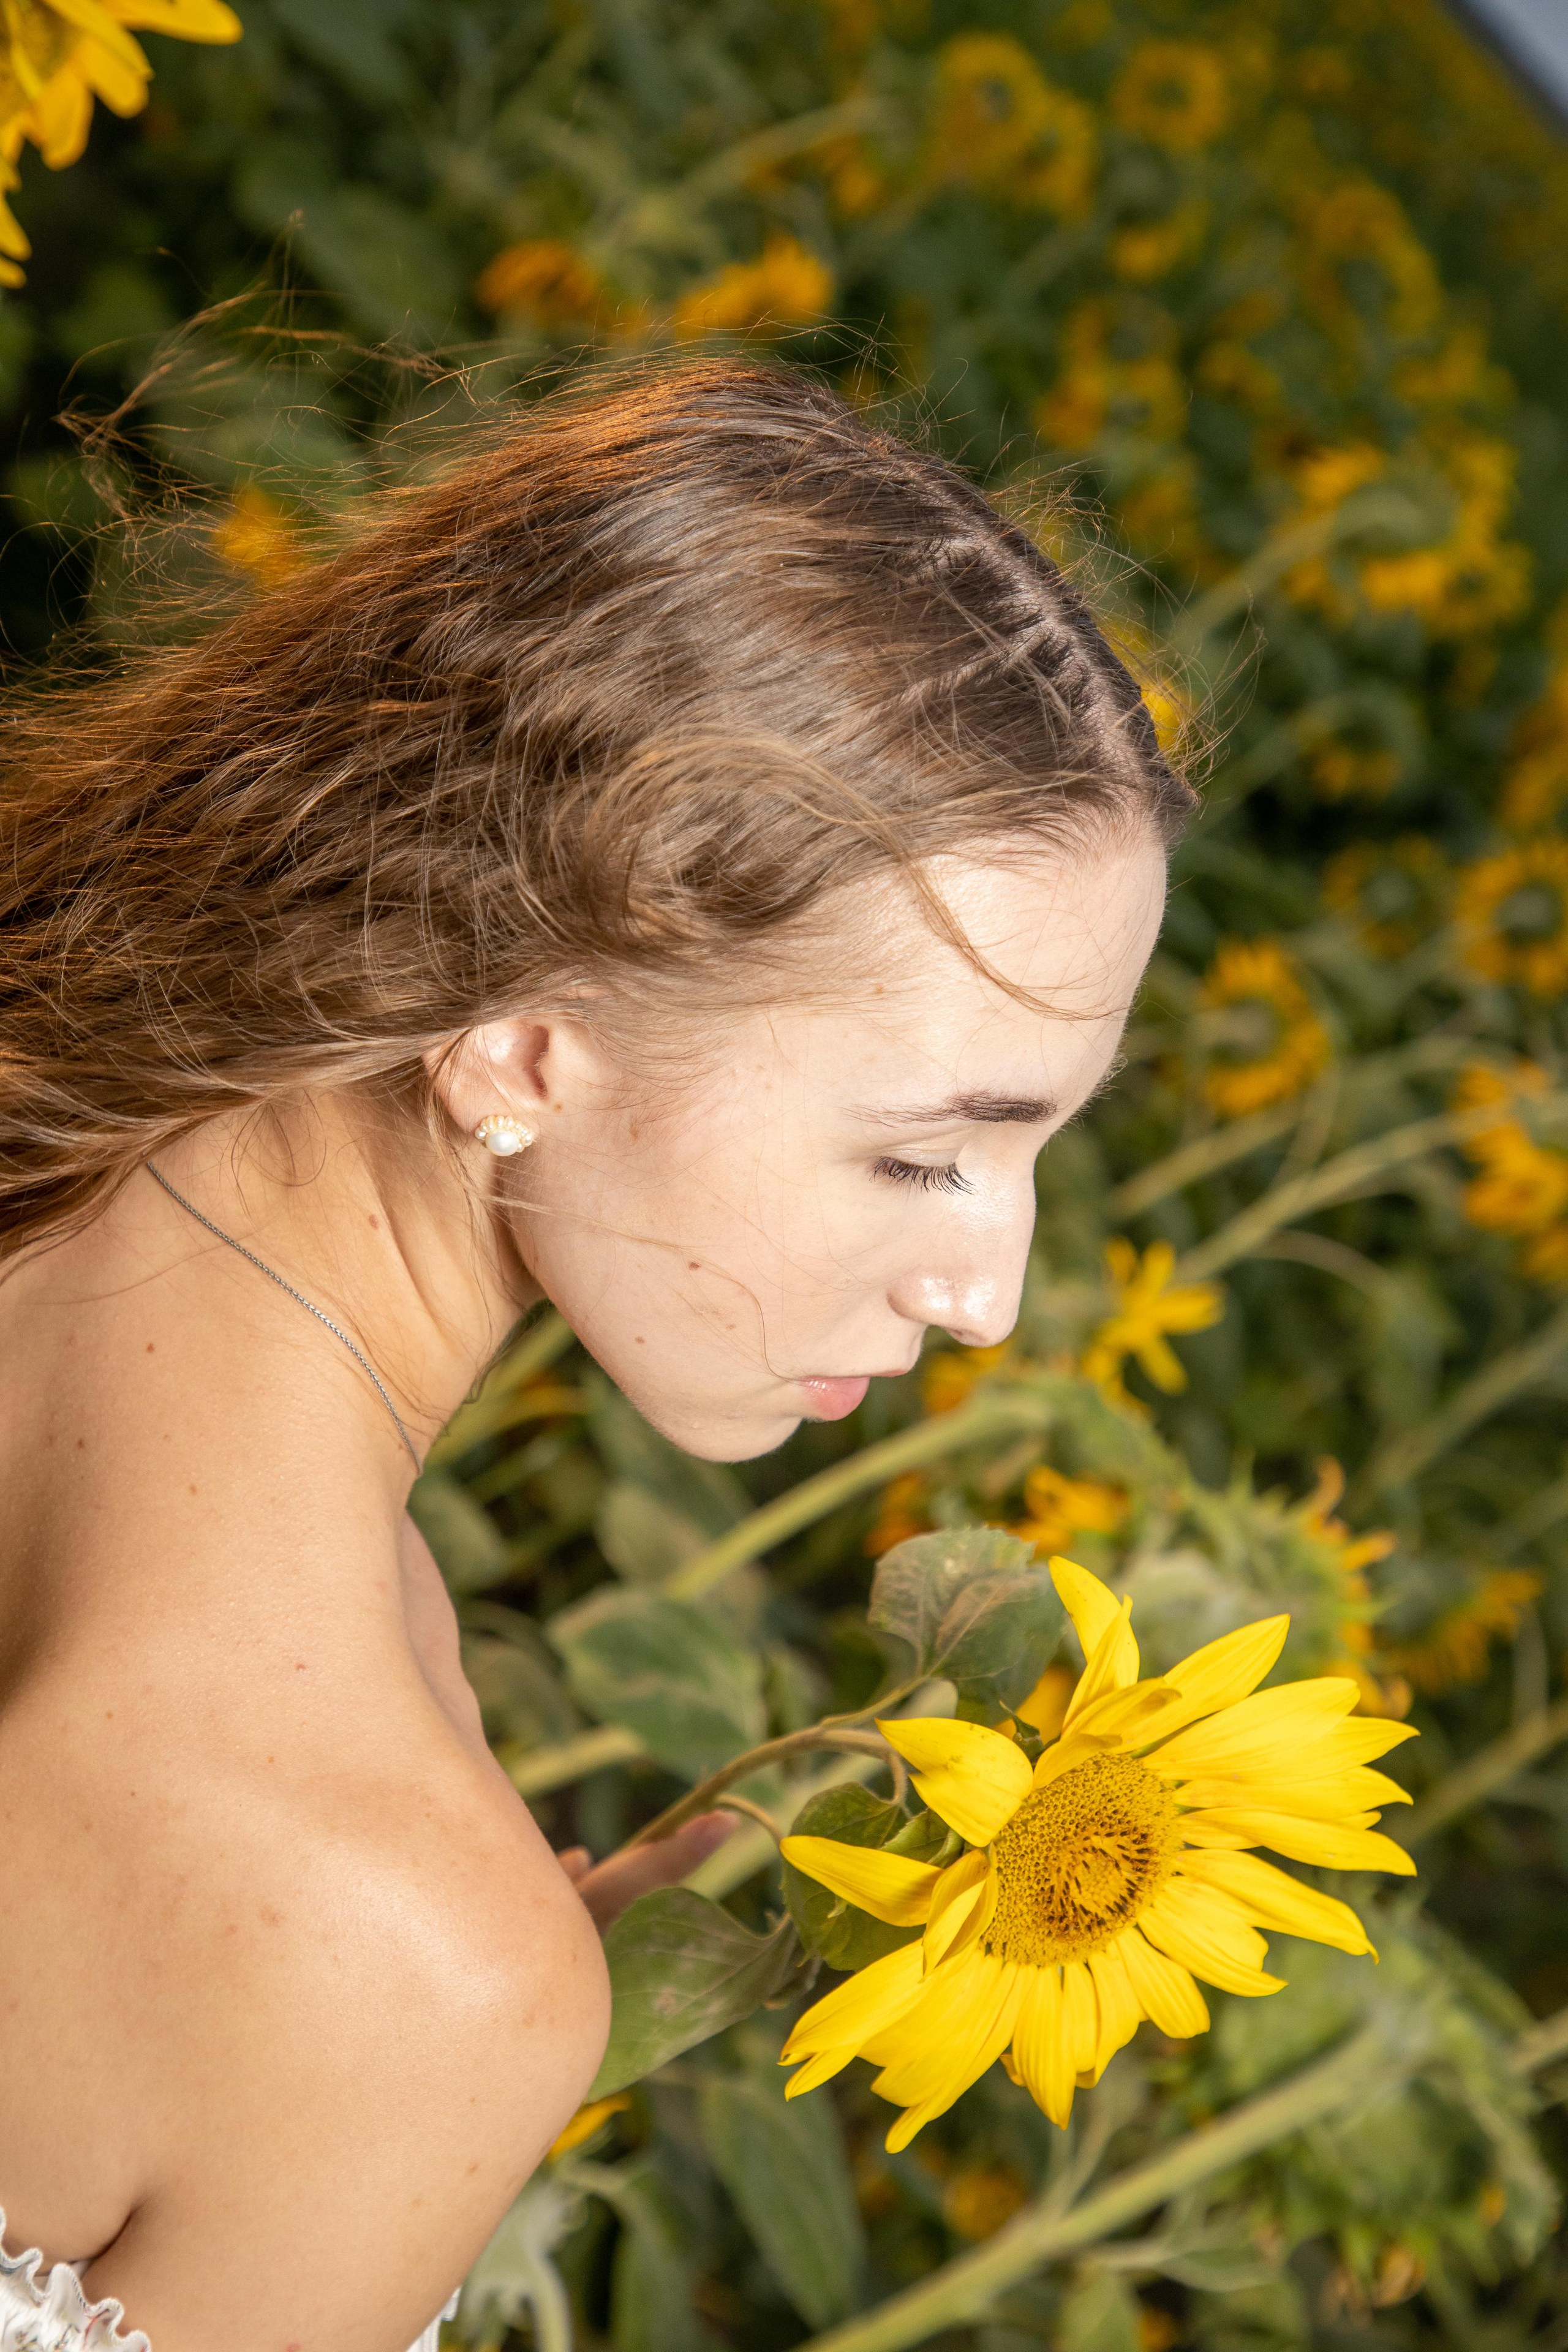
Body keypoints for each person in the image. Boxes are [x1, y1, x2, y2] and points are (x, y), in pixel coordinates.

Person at [0, 361, 1189, 2351]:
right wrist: (433, 2037)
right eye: (925, 1149)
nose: (989, 1291)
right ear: (521, 1045)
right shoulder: (399, 1964)